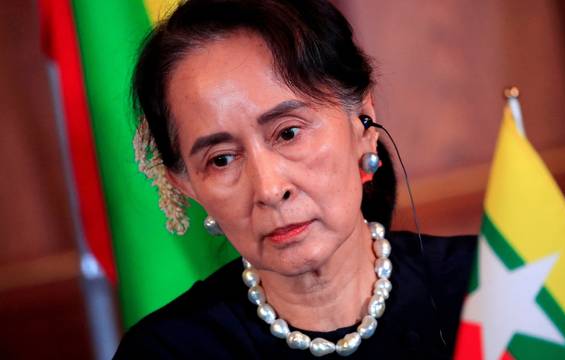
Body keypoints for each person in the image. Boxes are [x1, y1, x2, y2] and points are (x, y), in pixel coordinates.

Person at [114, 0, 476, 358]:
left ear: (363, 121)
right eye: (221, 159)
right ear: (186, 185)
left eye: (288, 133)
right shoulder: (165, 351)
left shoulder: (492, 284)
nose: (270, 189)